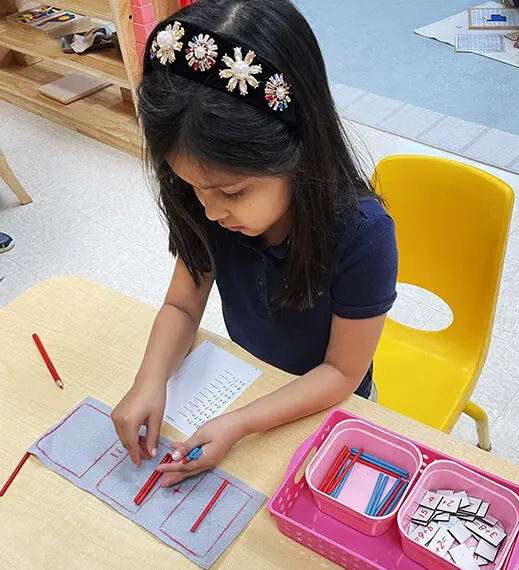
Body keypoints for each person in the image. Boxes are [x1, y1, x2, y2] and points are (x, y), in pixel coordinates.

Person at [111, 0, 398, 487]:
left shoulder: (362, 235)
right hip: (243, 380)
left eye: (232, 192)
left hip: (320, 403)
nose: (210, 212)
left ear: (297, 148)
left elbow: (342, 373)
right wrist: (150, 379)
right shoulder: (207, 201)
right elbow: (182, 307)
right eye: (191, 187)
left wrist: (241, 424)